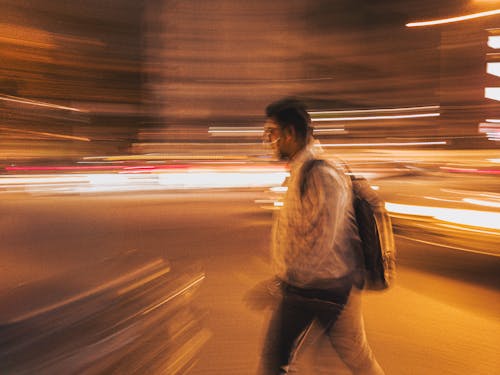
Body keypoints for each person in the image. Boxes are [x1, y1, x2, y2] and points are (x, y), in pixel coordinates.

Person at [258, 97, 384, 375]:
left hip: (321, 290)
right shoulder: (302, 170)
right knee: (354, 358)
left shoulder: (322, 174)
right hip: (313, 287)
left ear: (289, 133)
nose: (269, 141)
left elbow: (322, 242)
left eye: (272, 133)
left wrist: (285, 279)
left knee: (276, 361)